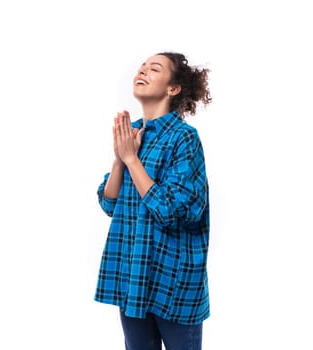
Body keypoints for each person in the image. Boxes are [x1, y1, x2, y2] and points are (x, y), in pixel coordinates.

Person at [95, 52, 212, 350]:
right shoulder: (132, 133)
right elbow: (110, 205)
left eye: (154, 68)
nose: (143, 70)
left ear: (173, 88)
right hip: (132, 276)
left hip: (173, 282)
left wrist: (131, 159)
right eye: (142, 67)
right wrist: (120, 160)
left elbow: (173, 210)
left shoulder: (184, 138)